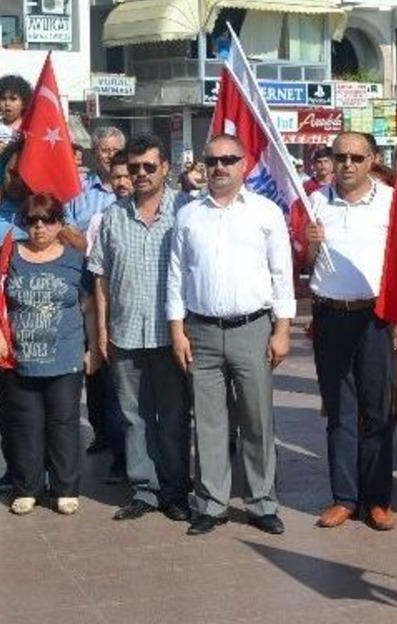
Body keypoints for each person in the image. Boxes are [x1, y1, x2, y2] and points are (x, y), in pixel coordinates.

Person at [167, 133, 296, 536]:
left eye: (228, 159)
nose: (219, 167)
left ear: (244, 165)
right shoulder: (188, 214)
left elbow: (282, 275)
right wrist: (177, 330)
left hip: (252, 330)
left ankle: (261, 502)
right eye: (212, 160)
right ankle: (211, 502)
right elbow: (175, 276)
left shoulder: (265, 212)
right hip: (201, 330)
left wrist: (282, 330)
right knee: (208, 423)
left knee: (257, 420)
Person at [89, 134, 191, 524]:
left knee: (174, 415)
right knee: (134, 417)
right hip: (126, 330)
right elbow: (100, 276)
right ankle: (145, 489)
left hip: (172, 335)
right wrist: (101, 329)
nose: (142, 174)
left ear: (165, 167)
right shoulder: (113, 215)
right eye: (135, 168)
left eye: (150, 166)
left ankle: (176, 489)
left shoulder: (184, 210)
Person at [304, 132, 396, 531]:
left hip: (375, 317)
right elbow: (307, 263)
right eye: (340, 156)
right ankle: (344, 498)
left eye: (357, 157)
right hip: (331, 316)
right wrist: (309, 244)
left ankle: (377, 500)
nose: (347, 165)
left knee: (377, 412)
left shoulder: (391, 202)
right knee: (340, 412)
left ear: (372, 159)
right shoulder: (317, 201)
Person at [0, 193, 91, 516]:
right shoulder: (10, 255)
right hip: (20, 358)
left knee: (64, 423)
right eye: (32, 221)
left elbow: (88, 305)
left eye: (47, 220)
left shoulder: (74, 259)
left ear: (59, 223)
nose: (39, 228)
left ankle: (65, 488)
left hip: (64, 356)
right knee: (26, 425)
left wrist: (91, 348)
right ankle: (27, 488)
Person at [69, 127, 125, 457]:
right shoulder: (79, 190)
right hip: (87, 286)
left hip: (124, 290)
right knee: (95, 363)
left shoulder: (133, 187)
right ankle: (102, 431)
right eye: (102, 149)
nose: (108, 154)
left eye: (114, 149)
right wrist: (86, 245)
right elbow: (67, 231)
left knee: (122, 370)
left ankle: (123, 442)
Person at [0, 75, 33, 222]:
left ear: (24, 102)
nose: (7, 104)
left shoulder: (28, 125)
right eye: (3, 99)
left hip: (23, 169)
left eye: (13, 99)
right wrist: (10, 149)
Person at [66, 126, 125, 233]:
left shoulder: (135, 188)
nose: (111, 155)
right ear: (94, 154)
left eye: (115, 150)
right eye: (105, 150)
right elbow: (68, 226)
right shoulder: (78, 186)